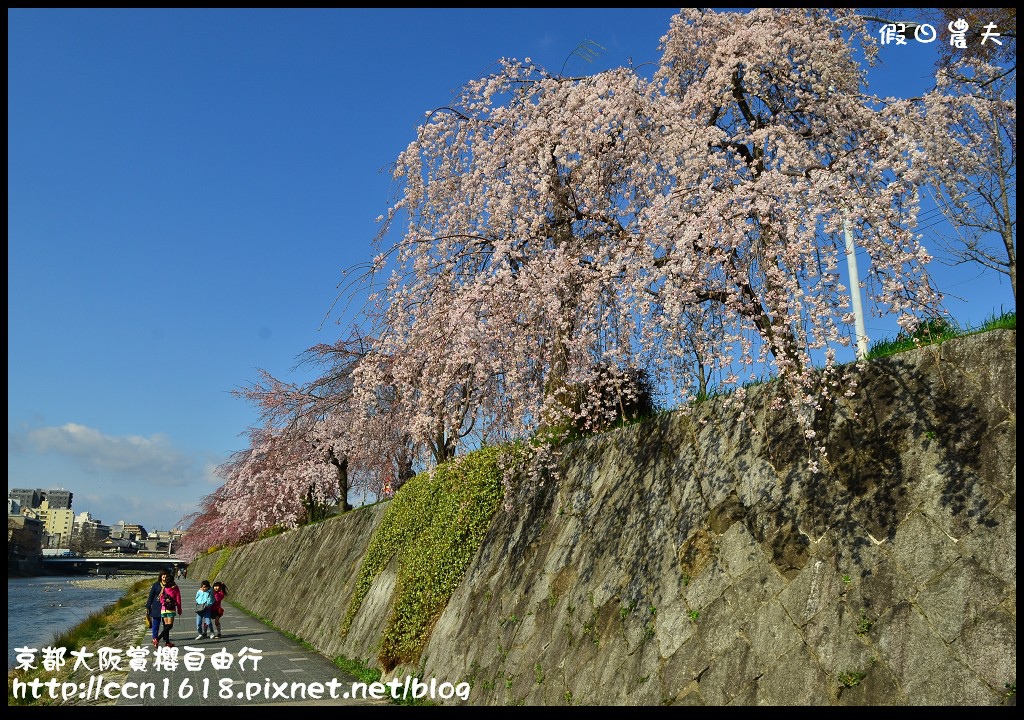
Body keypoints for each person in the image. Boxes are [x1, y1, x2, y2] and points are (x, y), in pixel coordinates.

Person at [146, 569, 175, 648]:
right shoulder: (156, 585)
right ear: (160, 576)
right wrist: (148, 606)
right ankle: (155, 638)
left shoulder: (171, 585)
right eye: (163, 575)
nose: (164, 576)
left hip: (166, 607)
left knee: (167, 625)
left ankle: (166, 638)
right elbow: (151, 596)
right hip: (156, 607)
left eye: (166, 575)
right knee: (156, 624)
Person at [155, 572, 182, 648]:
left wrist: (164, 602)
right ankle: (157, 639)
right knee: (169, 626)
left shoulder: (164, 588)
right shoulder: (175, 588)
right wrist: (179, 609)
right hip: (171, 609)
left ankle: (167, 642)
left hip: (163, 609)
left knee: (166, 626)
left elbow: (160, 598)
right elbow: (178, 599)